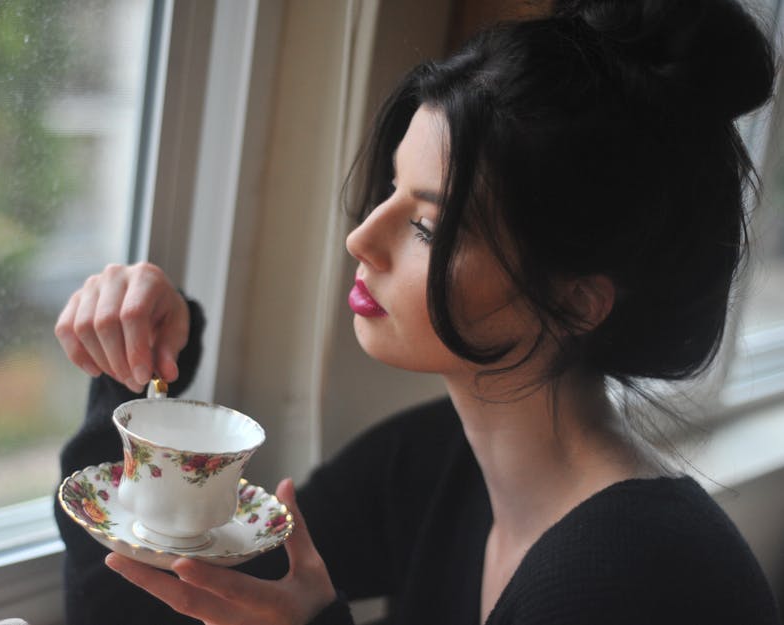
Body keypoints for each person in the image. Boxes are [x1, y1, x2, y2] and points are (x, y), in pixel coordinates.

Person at [52, 0, 783, 623]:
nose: (362, 237)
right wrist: (142, 366)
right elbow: (144, 603)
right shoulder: (441, 464)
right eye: (392, 189)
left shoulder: (634, 583)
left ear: (575, 298)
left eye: (430, 224)